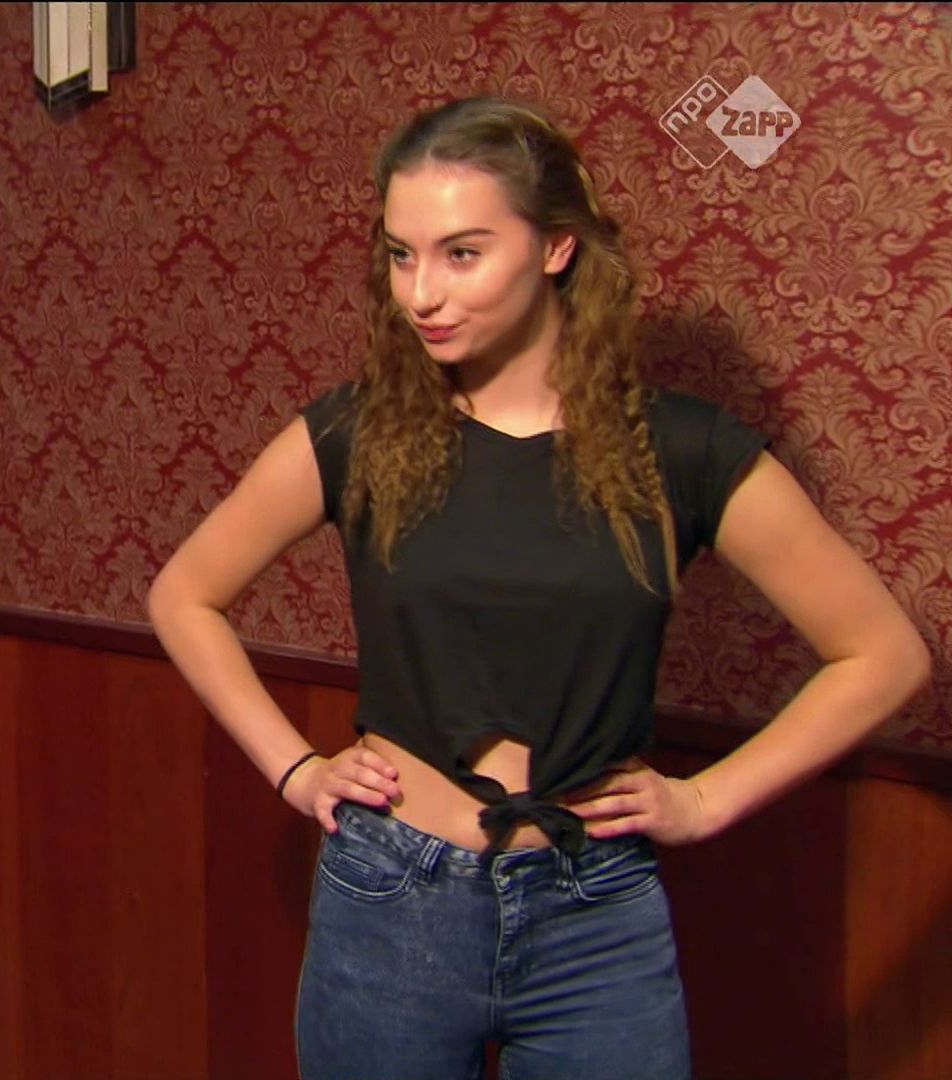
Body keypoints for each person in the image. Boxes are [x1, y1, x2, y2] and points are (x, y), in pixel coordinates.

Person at [146, 97, 930, 1079]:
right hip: (392, 900)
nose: (420, 293)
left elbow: (882, 654)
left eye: (462, 254)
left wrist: (705, 800)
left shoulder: (681, 449)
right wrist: (296, 769)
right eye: (401, 255)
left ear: (556, 247)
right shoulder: (358, 432)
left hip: (594, 913)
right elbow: (184, 595)